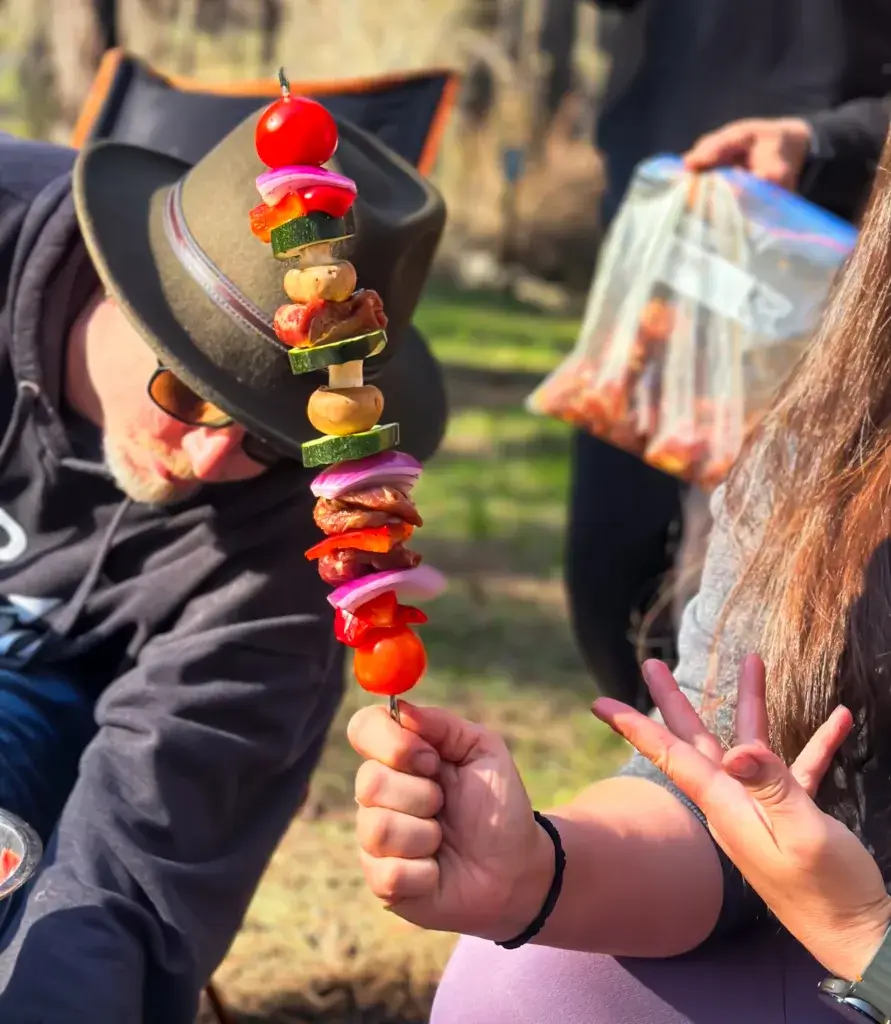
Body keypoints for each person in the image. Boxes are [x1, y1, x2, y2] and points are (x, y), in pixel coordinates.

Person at [347, 129, 891, 1021]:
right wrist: (535, 870)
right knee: (521, 987)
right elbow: (725, 829)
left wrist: (865, 936)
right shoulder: (832, 460)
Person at [0, 104, 446, 1022]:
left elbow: (142, 851)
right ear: (116, 282)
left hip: (46, 712)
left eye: (270, 438)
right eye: (185, 394)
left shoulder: (306, 532)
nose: (208, 462)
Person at [567, 0, 891, 711]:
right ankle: (673, 791)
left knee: (745, 621)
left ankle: (730, 805)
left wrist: (825, 138)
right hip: (667, 236)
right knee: (608, 580)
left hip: (822, 266)